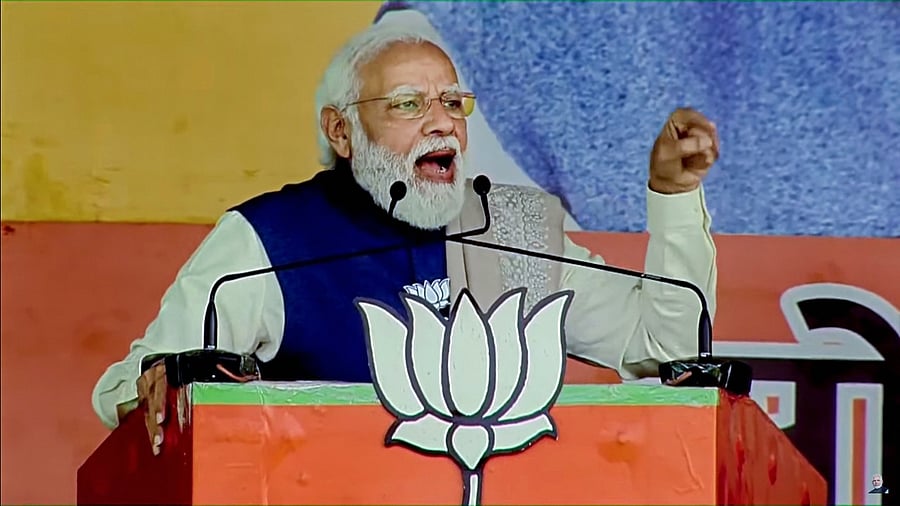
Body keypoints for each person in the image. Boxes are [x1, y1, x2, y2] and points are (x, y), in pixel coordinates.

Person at [91, 23, 720, 456]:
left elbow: (665, 348)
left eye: (452, 101)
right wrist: (163, 381)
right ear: (342, 131)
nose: (442, 121)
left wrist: (674, 197)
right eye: (408, 104)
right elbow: (124, 388)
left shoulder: (513, 230)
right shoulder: (267, 240)